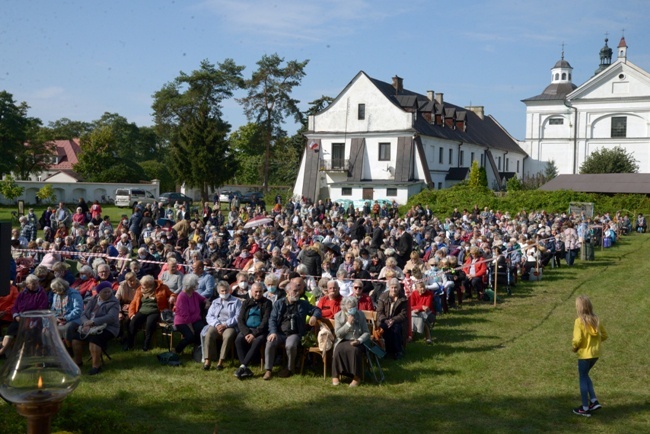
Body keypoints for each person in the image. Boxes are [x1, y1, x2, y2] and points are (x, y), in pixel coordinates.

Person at [264, 282, 322, 380]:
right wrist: (273, 332)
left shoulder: (303, 304)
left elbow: (317, 310)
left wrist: (314, 316)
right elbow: (272, 319)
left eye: (298, 291)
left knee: (290, 345)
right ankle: (268, 370)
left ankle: (290, 368)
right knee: (270, 342)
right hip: (279, 333)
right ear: (287, 292)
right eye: (294, 291)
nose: (297, 293)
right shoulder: (279, 303)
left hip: (295, 333)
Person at [71, 282, 119, 375]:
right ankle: (78, 362)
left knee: (95, 340)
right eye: (105, 292)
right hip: (90, 325)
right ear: (99, 292)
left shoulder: (114, 302)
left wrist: (93, 322)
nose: (108, 294)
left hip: (109, 327)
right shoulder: (93, 299)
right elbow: (83, 314)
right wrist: (85, 322)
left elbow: (111, 317)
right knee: (76, 338)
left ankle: (96, 366)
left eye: (109, 292)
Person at [572, 295, 608, 417]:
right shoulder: (596, 319)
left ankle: (585, 407)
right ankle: (593, 401)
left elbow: (577, 339)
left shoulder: (579, 321)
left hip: (584, 355)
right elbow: (604, 335)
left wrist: (574, 347)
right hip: (595, 354)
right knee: (585, 375)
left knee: (582, 377)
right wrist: (595, 343)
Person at [0, 275, 49, 357]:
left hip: (34, 319)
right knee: (10, 330)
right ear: (27, 284)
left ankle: (22, 353)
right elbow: (15, 307)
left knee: (27, 331)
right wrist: (16, 316)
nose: (34, 285)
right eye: (32, 283)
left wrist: (29, 317)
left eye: (36, 283)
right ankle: (2, 351)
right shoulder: (23, 294)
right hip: (20, 318)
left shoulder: (42, 294)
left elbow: (42, 308)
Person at [126, 275, 176, 351]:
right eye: (142, 284)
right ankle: (130, 344)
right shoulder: (140, 289)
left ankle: (146, 345)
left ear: (151, 284)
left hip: (155, 311)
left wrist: (172, 296)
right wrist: (132, 314)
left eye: (145, 285)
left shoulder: (162, 287)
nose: (143, 286)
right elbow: (133, 302)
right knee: (133, 322)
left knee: (150, 325)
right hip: (142, 311)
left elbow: (173, 294)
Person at [234, 282, 272, 379]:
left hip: (260, 331)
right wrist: (246, 333)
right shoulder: (246, 302)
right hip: (247, 329)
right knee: (238, 340)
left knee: (257, 341)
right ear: (251, 292)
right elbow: (240, 319)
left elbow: (265, 321)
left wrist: (254, 334)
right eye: (256, 292)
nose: (258, 294)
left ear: (263, 292)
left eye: (260, 292)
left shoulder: (267, 303)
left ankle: (242, 366)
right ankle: (245, 368)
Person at [202, 281, 242, 371]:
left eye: (226, 291)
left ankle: (221, 361)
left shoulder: (236, 302)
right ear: (219, 292)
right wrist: (217, 324)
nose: (224, 293)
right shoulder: (215, 302)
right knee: (209, 334)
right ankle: (207, 360)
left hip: (230, 325)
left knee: (228, 336)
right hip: (217, 324)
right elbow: (209, 316)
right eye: (222, 291)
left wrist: (226, 325)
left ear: (229, 290)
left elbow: (238, 316)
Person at [332, 296, 370, 387]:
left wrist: (359, 340)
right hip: (343, 340)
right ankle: (335, 375)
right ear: (344, 307)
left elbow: (366, 332)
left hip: (357, 340)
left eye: (354, 307)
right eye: (350, 308)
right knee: (338, 350)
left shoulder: (360, 314)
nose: (352, 309)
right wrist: (348, 324)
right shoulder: (338, 316)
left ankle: (356, 377)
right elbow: (338, 334)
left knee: (355, 350)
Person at [173, 274, 208, 355]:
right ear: (192, 285)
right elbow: (185, 315)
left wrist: (207, 302)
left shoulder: (194, 294)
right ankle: (176, 350)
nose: (198, 285)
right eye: (196, 283)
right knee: (190, 337)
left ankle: (198, 352)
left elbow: (203, 299)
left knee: (202, 331)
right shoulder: (182, 296)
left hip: (195, 320)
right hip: (183, 322)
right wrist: (191, 328)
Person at [377, 278, 407, 359]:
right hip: (384, 320)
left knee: (396, 329)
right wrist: (385, 320)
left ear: (399, 288)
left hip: (396, 320)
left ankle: (397, 351)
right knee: (384, 328)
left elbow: (403, 314)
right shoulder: (383, 297)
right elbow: (379, 312)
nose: (394, 289)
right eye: (392, 287)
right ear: (389, 287)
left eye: (396, 287)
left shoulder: (403, 298)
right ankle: (386, 350)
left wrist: (393, 320)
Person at [50, 278, 84, 347]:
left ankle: (69, 348)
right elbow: (53, 309)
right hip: (60, 318)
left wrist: (66, 318)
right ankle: (55, 348)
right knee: (49, 327)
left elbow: (78, 309)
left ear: (60, 288)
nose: (53, 291)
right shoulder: (56, 295)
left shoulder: (74, 294)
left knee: (67, 328)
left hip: (74, 318)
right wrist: (57, 318)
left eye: (55, 289)